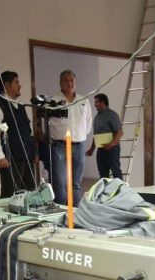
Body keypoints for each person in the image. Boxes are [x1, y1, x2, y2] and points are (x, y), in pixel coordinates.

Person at [0, 71, 37, 198]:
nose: (20, 86)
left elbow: (27, 132)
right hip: (10, 158)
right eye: (16, 82)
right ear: (7, 85)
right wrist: (0, 156)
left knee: (29, 193)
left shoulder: (21, 106)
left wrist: (34, 152)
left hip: (26, 156)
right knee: (10, 194)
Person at [48, 69, 92, 206]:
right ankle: (61, 209)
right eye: (66, 81)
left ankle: (75, 211)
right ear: (60, 83)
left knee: (76, 182)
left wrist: (79, 136)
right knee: (60, 181)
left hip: (79, 145)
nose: (69, 83)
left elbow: (88, 122)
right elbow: (46, 123)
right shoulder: (53, 101)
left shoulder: (84, 100)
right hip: (60, 146)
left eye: (72, 80)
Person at [85, 93, 123, 180]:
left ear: (103, 103)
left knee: (116, 172)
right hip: (101, 150)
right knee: (103, 174)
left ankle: (121, 192)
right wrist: (92, 149)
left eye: (96, 102)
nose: (95, 105)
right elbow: (96, 135)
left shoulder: (112, 115)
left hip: (112, 150)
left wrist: (111, 144)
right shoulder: (97, 118)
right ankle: (106, 192)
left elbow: (120, 132)